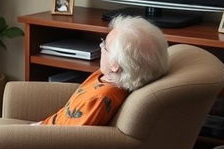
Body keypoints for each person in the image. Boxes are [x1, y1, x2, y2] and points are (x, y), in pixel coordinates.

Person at [38, 15, 169, 126]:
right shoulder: (106, 76)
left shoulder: (99, 100)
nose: (100, 47)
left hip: (42, 143)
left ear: (114, 65)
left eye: (104, 45)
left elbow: (69, 142)